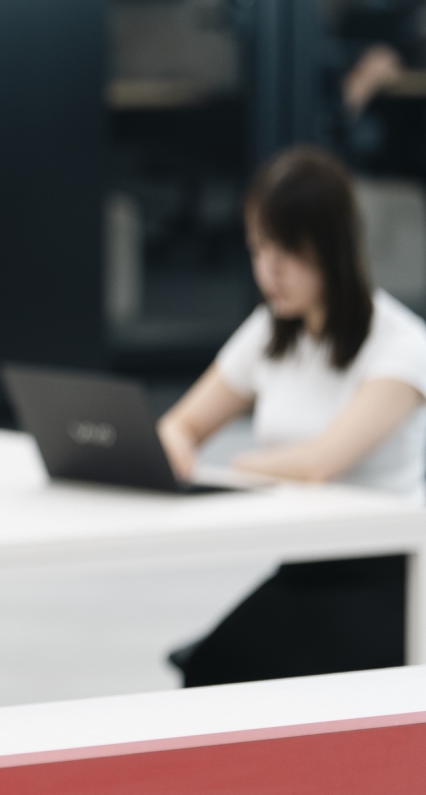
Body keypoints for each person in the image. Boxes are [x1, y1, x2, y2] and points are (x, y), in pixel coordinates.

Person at [158, 147, 426, 686]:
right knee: (209, 668)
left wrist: (232, 470)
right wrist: (177, 450)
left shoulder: (403, 345)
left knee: (232, 674)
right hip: (302, 563)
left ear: (333, 247)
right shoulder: (272, 331)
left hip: (384, 577)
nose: (269, 270)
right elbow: (180, 425)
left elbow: (320, 463)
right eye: (258, 248)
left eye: (287, 250)